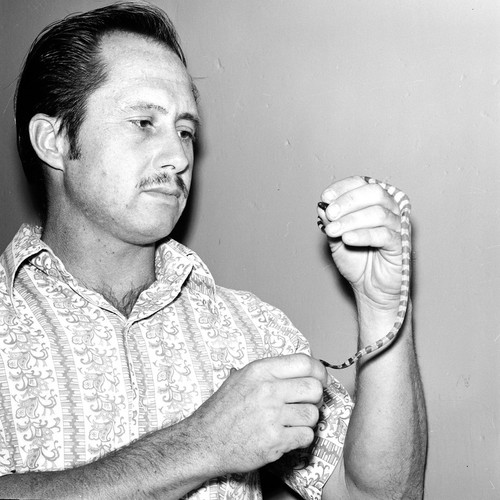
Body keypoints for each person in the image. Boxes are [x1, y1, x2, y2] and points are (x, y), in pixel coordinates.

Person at [0, 3, 427, 499]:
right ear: (52, 141)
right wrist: (203, 445)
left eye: (185, 131)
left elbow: (376, 495)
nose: (180, 157)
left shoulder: (250, 329)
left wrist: (383, 307)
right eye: (143, 122)